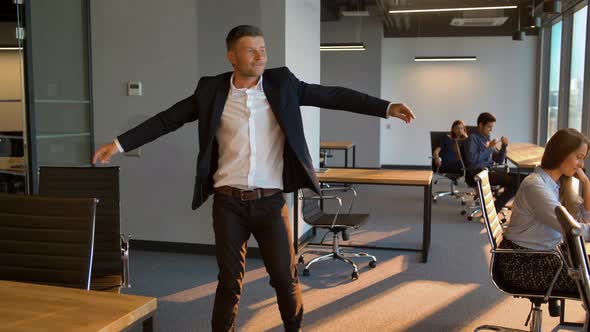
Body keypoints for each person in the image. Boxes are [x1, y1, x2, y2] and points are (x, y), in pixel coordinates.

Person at [92, 25, 415, 332]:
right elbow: (167, 119)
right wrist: (119, 144)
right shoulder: (211, 90)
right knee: (229, 282)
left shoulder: (282, 84)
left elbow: (334, 96)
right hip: (228, 203)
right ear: (232, 56)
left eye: (263, 50)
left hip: (270, 204)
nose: (260, 57)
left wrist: (386, 107)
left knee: (284, 279)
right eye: (251, 51)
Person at [497, 128, 590, 313]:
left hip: (545, 255)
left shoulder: (555, 184)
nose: (581, 164)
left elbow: (582, 218)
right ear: (562, 154)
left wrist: (586, 184)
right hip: (524, 263)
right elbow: (574, 231)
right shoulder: (536, 186)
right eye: (579, 157)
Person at [465, 112, 516, 210]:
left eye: (492, 127)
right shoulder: (472, 138)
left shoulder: (486, 139)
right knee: (515, 182)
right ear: (480, 125)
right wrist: (490, 148)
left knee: (519, 179)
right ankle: (495, 209)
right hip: (477, 173)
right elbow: (472, 160)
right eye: (489, 127)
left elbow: (499, 160)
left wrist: (504, 146)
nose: (491, 130)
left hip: (489, 170)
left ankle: (495, 207)